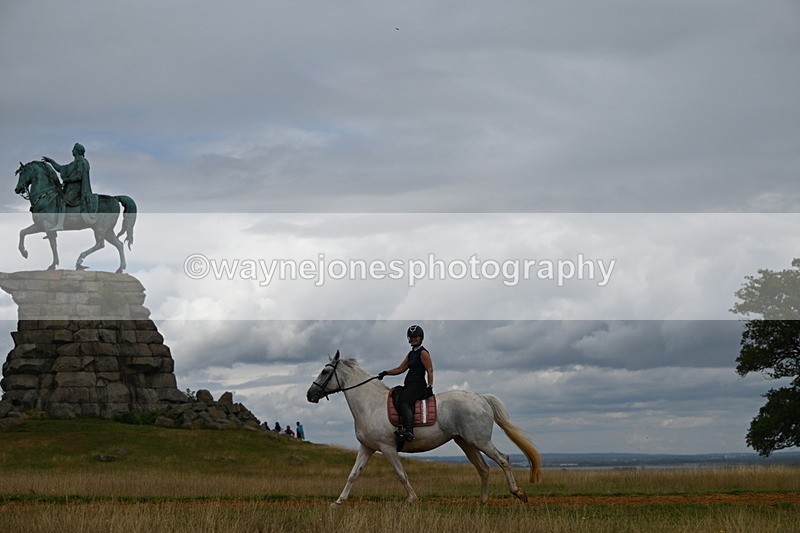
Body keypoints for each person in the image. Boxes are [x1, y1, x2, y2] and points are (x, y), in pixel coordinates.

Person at [378, 324, 434, 443]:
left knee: (404, 401)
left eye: (416, 337)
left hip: (418, 385)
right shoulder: (411, 354)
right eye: (411, 337)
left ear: (421, 337)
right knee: (396, 395)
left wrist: (430, 386)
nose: (413, 339)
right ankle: (401, 426)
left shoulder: (423, 353)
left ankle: (409, 431)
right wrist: (385, 373)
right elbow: (400, 369)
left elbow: (430, 370)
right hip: (409, 384)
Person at [41, 142, 98, 229]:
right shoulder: (74, 163)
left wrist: (67, 180)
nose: (72, 151)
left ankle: (60, 225)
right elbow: (60, 168)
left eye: (73, 149)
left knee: (62, 201)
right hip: (70, 189)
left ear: (77, 151)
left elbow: (79, 176)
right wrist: (51, 161)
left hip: (77, 189)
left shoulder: (82, 162)